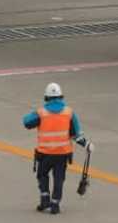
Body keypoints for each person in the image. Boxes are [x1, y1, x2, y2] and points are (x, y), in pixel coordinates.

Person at [22, 82, 88, 214]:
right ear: (61, 96)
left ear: (46, 97)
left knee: (42, 175)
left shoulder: (41, 113)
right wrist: (87, 144)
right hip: (62, 154)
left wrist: (36, 112)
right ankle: (55, 204)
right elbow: (76, 135)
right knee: (59, 178)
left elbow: (26, 122)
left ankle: (44, 199)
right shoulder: (69, 113)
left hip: (45, 154)